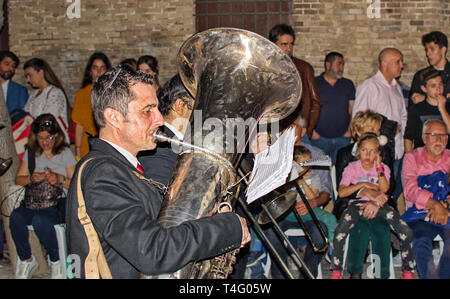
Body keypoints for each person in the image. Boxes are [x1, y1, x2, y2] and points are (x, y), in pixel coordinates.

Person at [65, 65, 250, 279]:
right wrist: (225, 229)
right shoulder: (103, 173)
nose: (160, 120)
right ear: (114, 117)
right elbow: (151, 251)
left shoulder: (124, 168)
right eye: (147, 111)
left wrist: (208, 220)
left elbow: (158, 232)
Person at [248, 112, 331, 279]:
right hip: (282, 211)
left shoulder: (317, 154)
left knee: (320, 232)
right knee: (267, 229)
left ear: (303, 130)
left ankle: (307, 275)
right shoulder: (272, 152)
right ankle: (281, 274)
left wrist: (313, 202)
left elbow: (326, 192)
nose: (288, 131)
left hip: (309, 210)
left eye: (293, 127)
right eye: (284, 127)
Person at [329, 133, 415, 279]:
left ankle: (407, 270)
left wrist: (379, 168)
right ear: (358, 151)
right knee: (340, 230)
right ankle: (336, 270)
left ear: (378, 153)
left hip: (380, 205)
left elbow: (384, 189)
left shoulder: (383, 168)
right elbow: (342, 192)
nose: (368, 154)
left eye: (373, 151)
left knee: (405, 230)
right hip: (356, 205)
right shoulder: (352, 167)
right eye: (364, 150)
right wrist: (363, 185)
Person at [11, 113, 76, 279]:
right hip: (36, 201)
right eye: (41, 138)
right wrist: (31, 178)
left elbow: (76, 183)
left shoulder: (65, 153)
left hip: (59, 201)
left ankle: (55, 260)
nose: (45, 142)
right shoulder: (32, 153)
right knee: (16, 217)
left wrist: (58, 179)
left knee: (41, 221)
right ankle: (26, 259)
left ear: (56, 136)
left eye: (49, 138)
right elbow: (19, 179)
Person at [352, 48, 407, 204]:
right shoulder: (369, 86)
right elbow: (359, 118)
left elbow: (403, 116)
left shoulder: (397, 87)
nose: (401, 65)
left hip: (395, 149)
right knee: (376, 190)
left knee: (392, 190)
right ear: (384, 63)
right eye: (398, 61)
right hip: (374, 152)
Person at [402, 118, 450, 279]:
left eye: (443, 135)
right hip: (420, 213)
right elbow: (410, 190)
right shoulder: (412, 157)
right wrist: (434, 204)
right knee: (421, 239)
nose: (439, 140)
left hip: (446, 212)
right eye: (434, 135)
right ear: (424, 138)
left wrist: (443, 205)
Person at [138, 74, 194, 186]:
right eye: (199, 105)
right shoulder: (158, 150)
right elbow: (162, 199)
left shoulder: (181, 140)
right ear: (180, 106)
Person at [268, 24, 322, 141]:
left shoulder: (304, 68)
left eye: (291, 44)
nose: (289, 48)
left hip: (299, 129)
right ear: (273, 44)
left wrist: (308, 129)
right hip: (273, 129)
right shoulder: (266, 68)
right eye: (284, 44)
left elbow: (315, 102)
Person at [311, 51, 355, 164]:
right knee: (320, 174)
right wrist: (312, 132)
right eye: (339, 64)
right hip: (319, 139)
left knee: (340, 173)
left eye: (343, 65)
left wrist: (350, 130)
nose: (341, 68)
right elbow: (307, 109)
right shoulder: (314, 83)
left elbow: (353, 109)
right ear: (328, 65)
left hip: (343, 139)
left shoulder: (347, 84)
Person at [291, 145, 337, 247]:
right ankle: (257, 247)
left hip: (309, 208)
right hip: (291, 211)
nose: (307, 168)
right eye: (302, 165)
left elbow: (312, 197)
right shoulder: (289, 178)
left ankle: (332, 246)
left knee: (331, 219)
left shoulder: (314, 177)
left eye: (309, 163)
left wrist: (302, 182)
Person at [72, 52, 111, 159]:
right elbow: (79, 125)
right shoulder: (82, 94)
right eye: (95, 68)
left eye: (102, 68)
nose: (99, 71)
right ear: (90, 70)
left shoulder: (112, 93)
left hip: (106, 143)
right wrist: (78, 150)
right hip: (87, 145)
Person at [23, 58, 70, 143]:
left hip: (53, 143)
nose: (28, 80)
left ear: (40, 72)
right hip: (36, 141)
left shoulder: (55, 93)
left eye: (30, 75)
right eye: (26, 76)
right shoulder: (33, 94)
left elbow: (48, 120)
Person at [405, 68, 450, 153]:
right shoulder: (417, 109)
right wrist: (410, 159)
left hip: (445, 158)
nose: (438, 88)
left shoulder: (448, 107)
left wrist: (443, 109)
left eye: (440, 84)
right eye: (433, 86)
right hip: (422, 157)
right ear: (424, 88)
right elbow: (408, 137)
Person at [409, 31, 450, 106]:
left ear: (443, 50)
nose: (428, 53)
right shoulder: (420, 75)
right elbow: (413, 105)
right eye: (426, 50)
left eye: (432, 49)